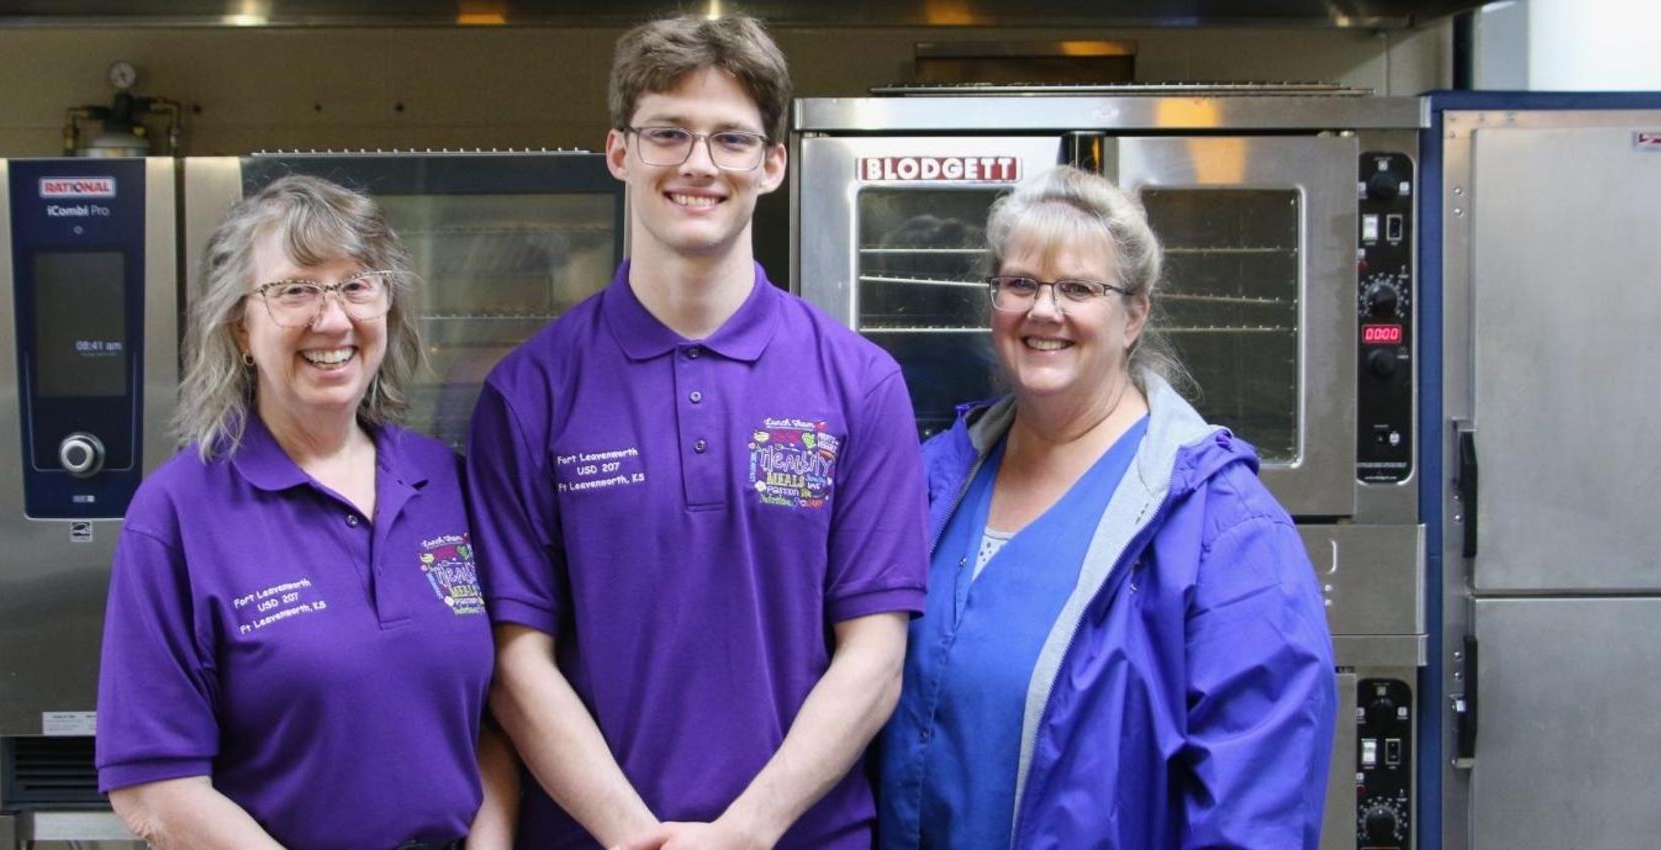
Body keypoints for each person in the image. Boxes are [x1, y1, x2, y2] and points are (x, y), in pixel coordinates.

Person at [465, 13, 928, 850]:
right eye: (667, 134)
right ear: (619, 153)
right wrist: (634, 836)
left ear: (774, 164)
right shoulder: (530, 392)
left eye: (732, 139)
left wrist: (747, 833)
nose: (699, 165)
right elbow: (515, 662)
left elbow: (875, 657)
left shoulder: (860, 385)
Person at [877, 166, 1337, 850]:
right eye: (1020, 283)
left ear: (1134, 314)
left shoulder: (1225, 529)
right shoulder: (936, 480)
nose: (1043, 310)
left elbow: (1254, 814)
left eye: (1079, 289)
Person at [95, 175, 514, 850]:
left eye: (357, 285)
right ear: (239, 327)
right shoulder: (178, 514)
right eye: (295, 290)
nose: (334, 319)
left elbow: (493, 724)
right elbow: (154, 787)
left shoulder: (447, 484)